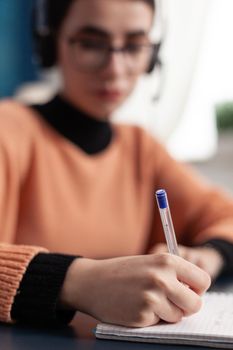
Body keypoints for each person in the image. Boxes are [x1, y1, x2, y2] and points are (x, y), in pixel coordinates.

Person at [0, 0, 233, 328]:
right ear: (51, 45)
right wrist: (80, 283)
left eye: (135, 46)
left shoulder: (141, 148)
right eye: (91, 43)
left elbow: (226, 214)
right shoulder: (8, 129)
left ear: (152, 55)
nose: (115, 68)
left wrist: (208, 255)